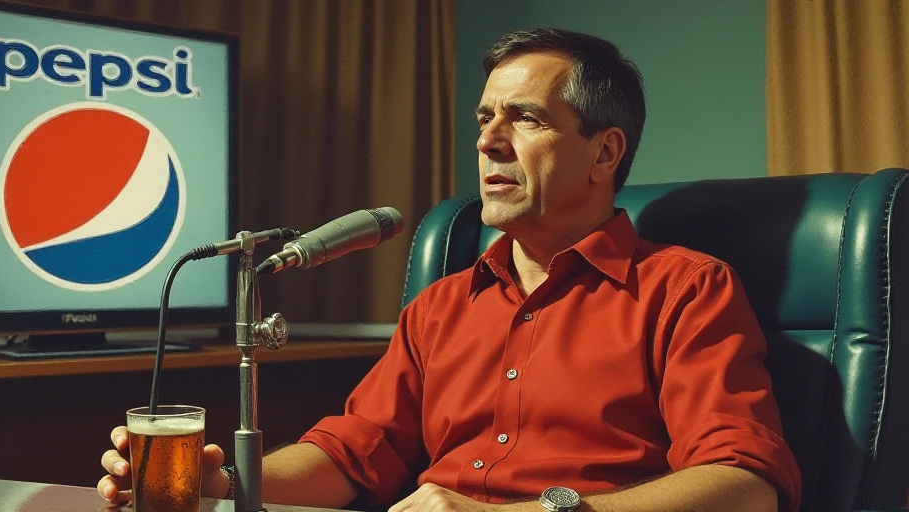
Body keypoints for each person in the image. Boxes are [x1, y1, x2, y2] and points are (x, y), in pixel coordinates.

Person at [100, 27, 802, 512]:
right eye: (483, 118)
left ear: (604, 153)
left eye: (524, 119)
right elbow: (349, 456)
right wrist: (215, 485)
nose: (488, 140)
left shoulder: (686, 288)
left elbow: (744, 485)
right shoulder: (441, 306)